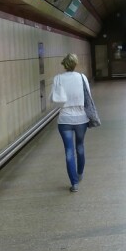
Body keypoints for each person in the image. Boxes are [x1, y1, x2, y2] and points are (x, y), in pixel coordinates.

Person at [51, 53, 91, 192]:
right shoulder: (82, 77)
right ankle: (79, 174)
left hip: (65, 120)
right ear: (75, 64)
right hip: (81, 118)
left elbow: (54, 99)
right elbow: (88, 98)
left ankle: (74, 184)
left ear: (64, 64)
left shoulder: (58, 78)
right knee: (80, 147)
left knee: (69, 151)